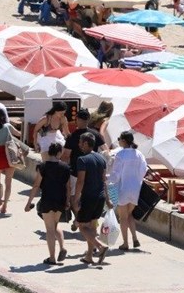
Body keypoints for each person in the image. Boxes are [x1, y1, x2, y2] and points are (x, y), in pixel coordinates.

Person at [24, 141, 70, 265]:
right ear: (59, 153)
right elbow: (68, 187)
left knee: (49, 230)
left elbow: (36, 185)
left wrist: (29, 202)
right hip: (60, 200)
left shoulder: (43, 166)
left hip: (47, 200)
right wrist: (68, 201)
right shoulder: (65, 167)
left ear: (49, 152)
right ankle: (62, 247)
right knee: (55, 225)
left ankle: (52, 258)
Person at [73, 132, 110, 265]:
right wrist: (107, 198)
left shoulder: (82, 160)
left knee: (82, 226)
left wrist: (76, 198)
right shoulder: (101, 159)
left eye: (81, 142)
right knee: (92, 227)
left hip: (89, 197)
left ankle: (100, 246)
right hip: (100, 197)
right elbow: (104, 180)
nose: (79, 145)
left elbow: (80, 181)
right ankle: (89, 255)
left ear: (86, 144)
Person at [62, 108, 104, 225]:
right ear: (88, 119)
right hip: (93, 173)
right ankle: (87, 220)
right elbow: (106, 151)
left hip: (76, 172)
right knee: (88, 197)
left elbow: (65, 156)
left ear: (77, 119)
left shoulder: (73, 136)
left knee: (73, 197)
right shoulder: (95, 134)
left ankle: (79, 218)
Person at [107, 130, 148, 251]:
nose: (118, 141)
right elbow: (143, 170)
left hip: (123, 189)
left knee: (123, 217)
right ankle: (135, 238)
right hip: (135, 189)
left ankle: (125, 243)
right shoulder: (139, 154)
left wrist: (106, 180)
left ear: (124, 141)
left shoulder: (120, 155)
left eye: (119, 139)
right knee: (129, 215)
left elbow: (116, 175)